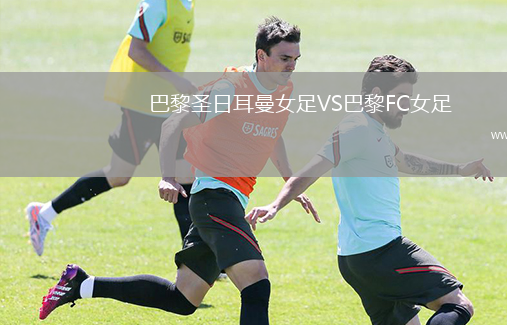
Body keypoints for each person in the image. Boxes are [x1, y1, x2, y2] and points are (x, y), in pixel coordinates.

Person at [39, 17, 319, 324]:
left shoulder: (282, 89)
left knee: (183, 298)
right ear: (261, 56)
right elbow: (173, 122)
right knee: (256, 283)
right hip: (215, 198)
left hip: (228, 201)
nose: (292, 66)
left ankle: (82, 284)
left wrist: (289, 181)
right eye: (284, 58)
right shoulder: (230, 89)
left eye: (296, 59)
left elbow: (273, 133)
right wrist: (168, 176)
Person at [246, 55, 493, 325]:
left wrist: (459, 169)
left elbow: (406, 161)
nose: (406, 106)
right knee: (458, 304)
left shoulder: (375, 132)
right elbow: (313, 168)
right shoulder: (355, 129)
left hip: (358, 258)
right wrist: (276, 205)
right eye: (401, 98)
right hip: (381, 251)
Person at [26, 0, 203, 256]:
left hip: (164, 101)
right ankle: (44, 213)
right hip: (141, 101)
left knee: (183, 175)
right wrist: (177, 82)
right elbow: (137, 50)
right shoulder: (158, 0)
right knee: (122, 175)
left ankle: (195, 257)